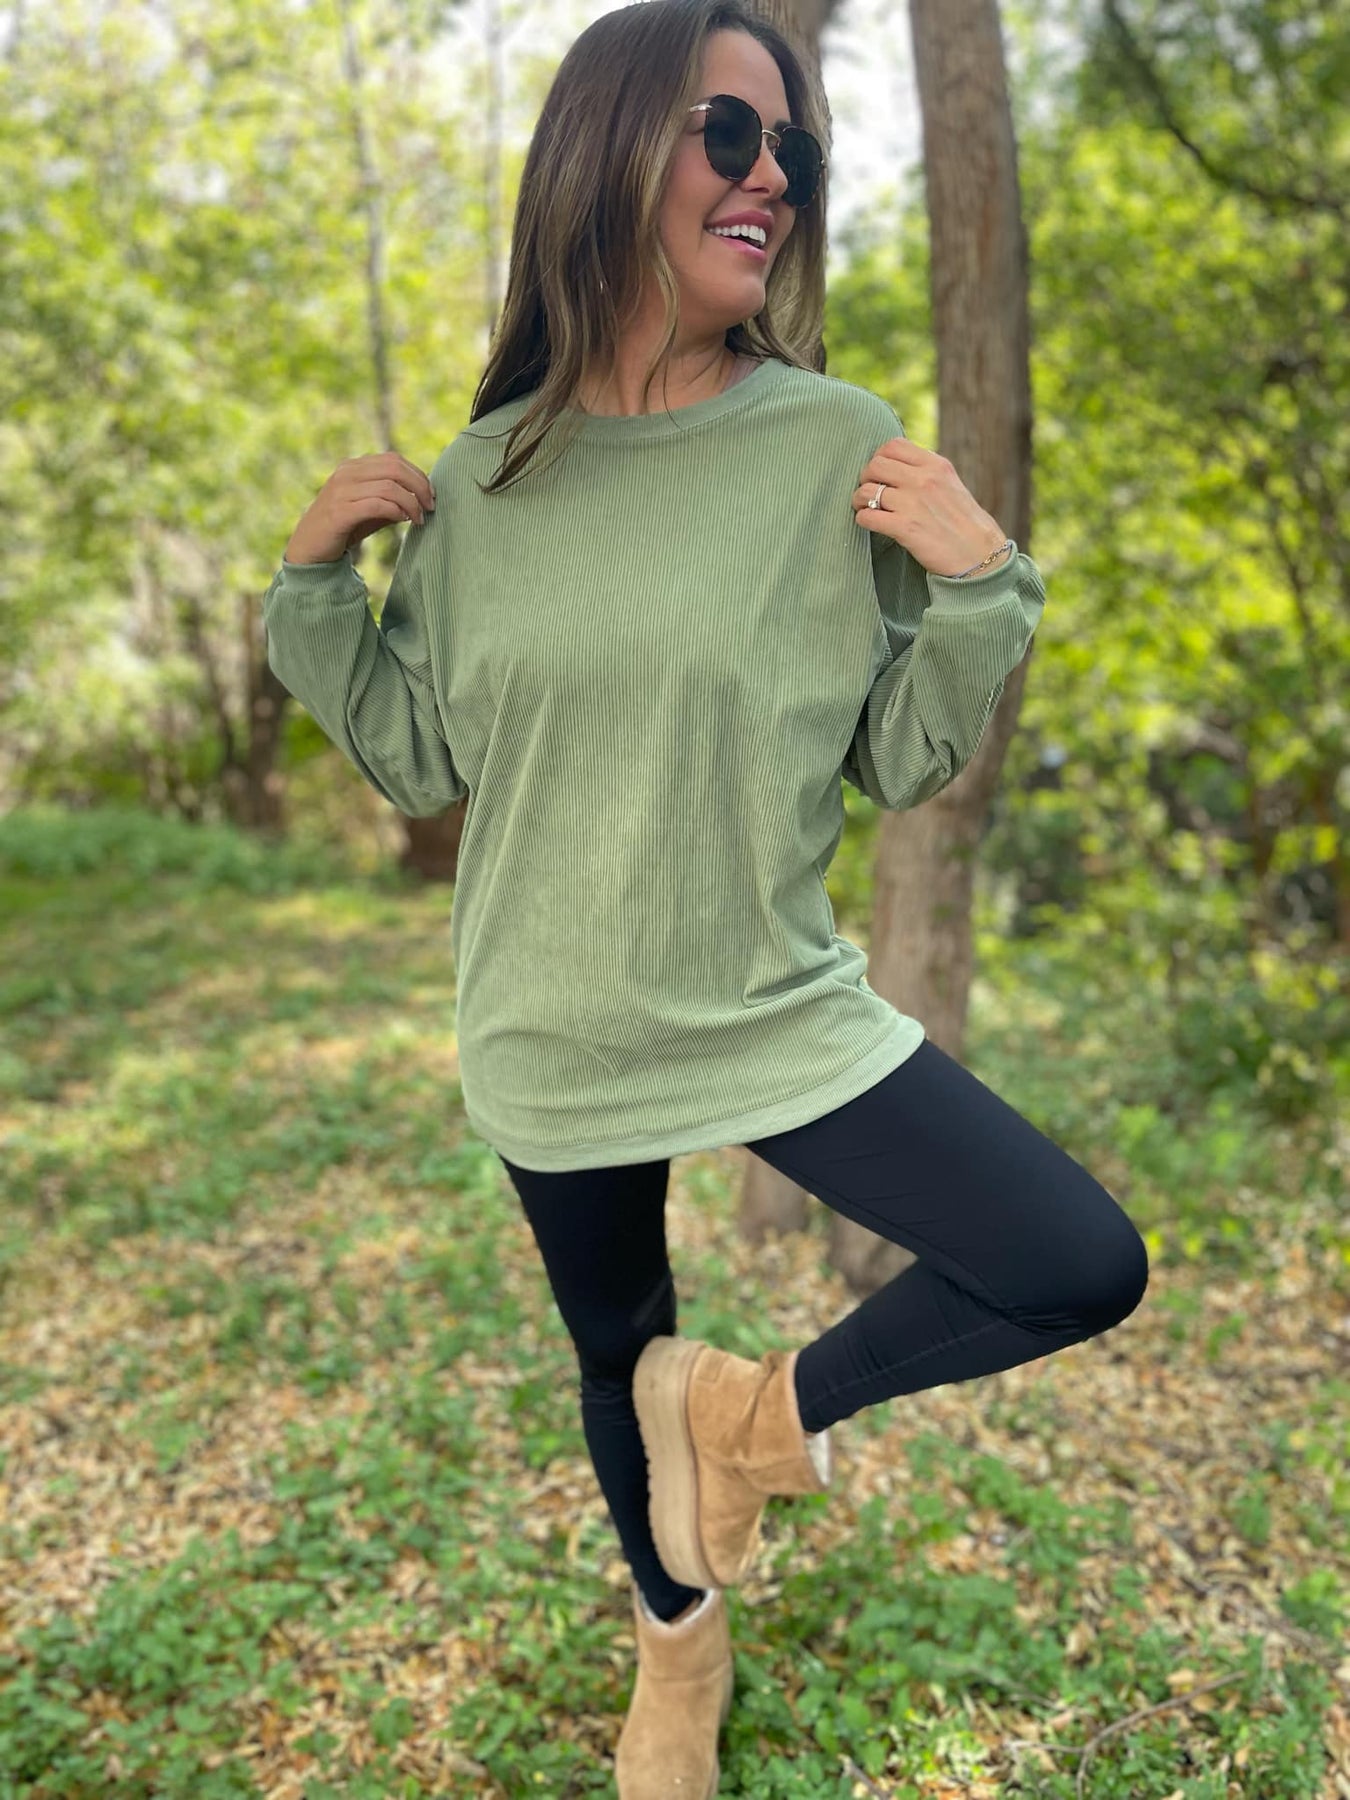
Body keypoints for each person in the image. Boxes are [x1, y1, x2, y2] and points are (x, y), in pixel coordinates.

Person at [261, 1, 1149, 1792]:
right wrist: (312, 591)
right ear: (604, 154)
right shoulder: (486, 476)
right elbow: (423, 766)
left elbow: (896, 758)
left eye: (790, 148)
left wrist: (980, 586)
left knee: (1072, 1261)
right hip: (550, 1024)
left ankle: (750, 1422)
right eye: (726, 135)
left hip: (767, 1005)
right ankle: (676, 1650)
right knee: (618, 1351)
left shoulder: (832, 442)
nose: (770, 179)